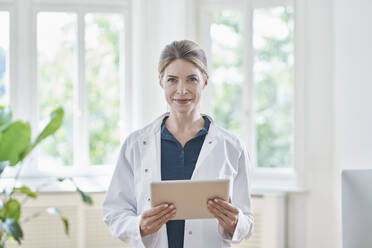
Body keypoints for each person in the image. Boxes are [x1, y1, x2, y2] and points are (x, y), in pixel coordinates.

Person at [103, 40, 254, 248]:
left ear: (205, 81)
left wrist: (235, 222)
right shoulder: (135, 144)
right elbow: (114, 211)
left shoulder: (232, 147)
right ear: (161, 82)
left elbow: (247, 220)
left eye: (191, 79)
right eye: (172, 80)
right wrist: (139, 225)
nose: (181, 90)